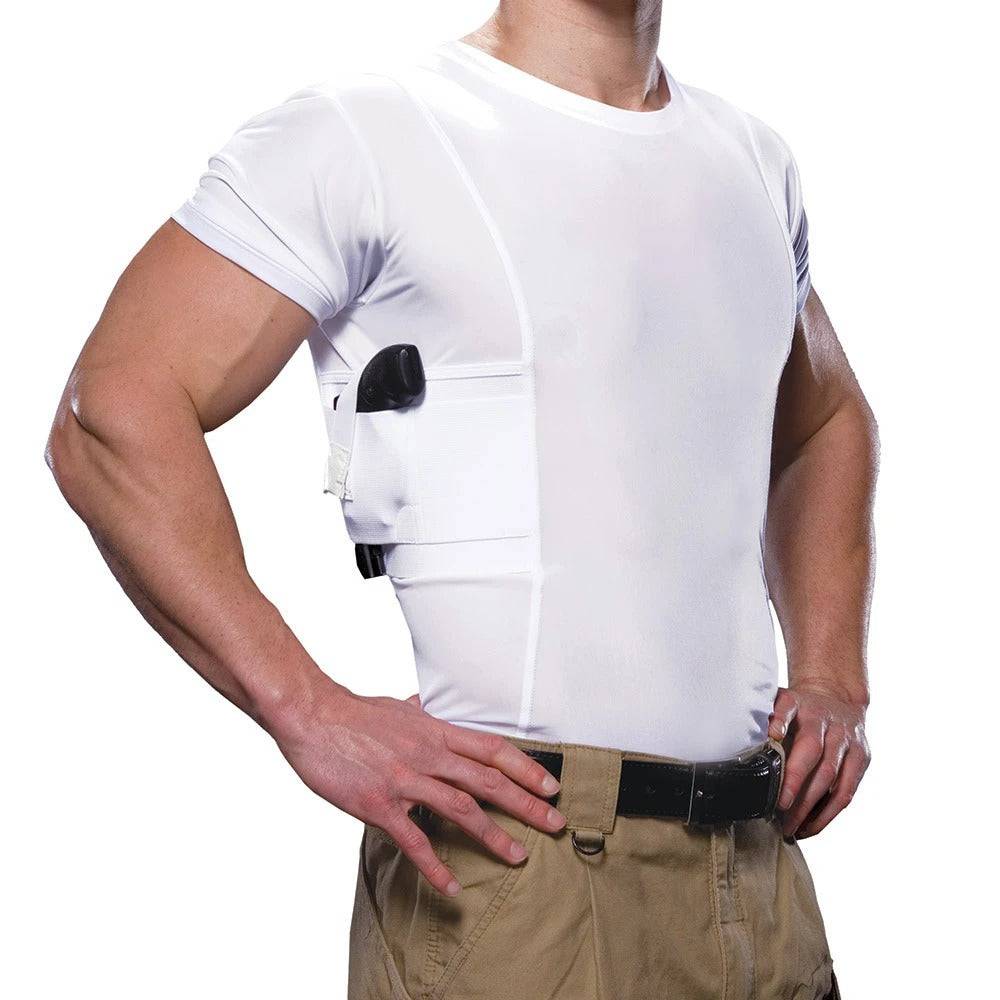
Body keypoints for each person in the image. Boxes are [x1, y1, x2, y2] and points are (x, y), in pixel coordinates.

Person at [46, 2, 877, 998]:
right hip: (523, 866)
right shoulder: (367, 134)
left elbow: (824, 422)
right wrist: (303, 705)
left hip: (755, 868)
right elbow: (113, 410)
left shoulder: (750, 160)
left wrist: (833, 676)